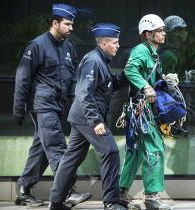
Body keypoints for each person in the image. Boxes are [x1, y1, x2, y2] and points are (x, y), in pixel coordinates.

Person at [12, 3, 91, 207]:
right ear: (54, 23)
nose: (71, 28)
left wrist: (75, 100)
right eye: (67, 24)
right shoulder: (37, 45)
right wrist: (18, 108)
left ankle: (24, 190)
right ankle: (67, 191)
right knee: (56, 145)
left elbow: (73, 78)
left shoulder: (68, 47)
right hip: (42, 104)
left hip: (57, 105)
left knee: (42, 149)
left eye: (72, 24)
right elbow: (22, 78)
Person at [48, 23, 128, 210]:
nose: (118, 46)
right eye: (115, 43)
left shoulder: (102, 60)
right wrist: (96, 121)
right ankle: (111, 202)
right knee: (110, 151)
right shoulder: (94, 61)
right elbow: (84, 93)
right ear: (103, 43)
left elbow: (106, 86)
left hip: (81, 116)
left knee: (71, 159)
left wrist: (126, 77)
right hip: (87, 116)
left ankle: (56, 202)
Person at [118, 14, 171, 210]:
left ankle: (121, 193)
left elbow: (147, 75)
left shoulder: (153, 53)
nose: (163, 34)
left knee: (136, 151)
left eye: (163, 30)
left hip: (142, 109)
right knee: (155, 148)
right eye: (159, 30)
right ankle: (151, 196)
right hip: (142, 109)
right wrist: (146, 87)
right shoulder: (141, 50)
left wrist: (165, 80)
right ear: (148, 34)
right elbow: (130, 69)